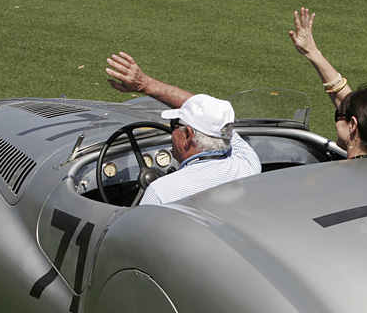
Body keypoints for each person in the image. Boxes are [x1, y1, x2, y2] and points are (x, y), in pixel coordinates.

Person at [105, 52, 261, 205]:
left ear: (188, 134)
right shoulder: (248, 165)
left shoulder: (161, 192)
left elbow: (132, 230)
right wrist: (145, 85)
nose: (172, 132)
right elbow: (217, 119)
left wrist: (146, 84)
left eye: (175, 125)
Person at [289, 7, 367, 159]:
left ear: (353, 125)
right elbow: (347, 101)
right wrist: (312, 53)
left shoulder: (341, 176)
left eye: (338, 115)